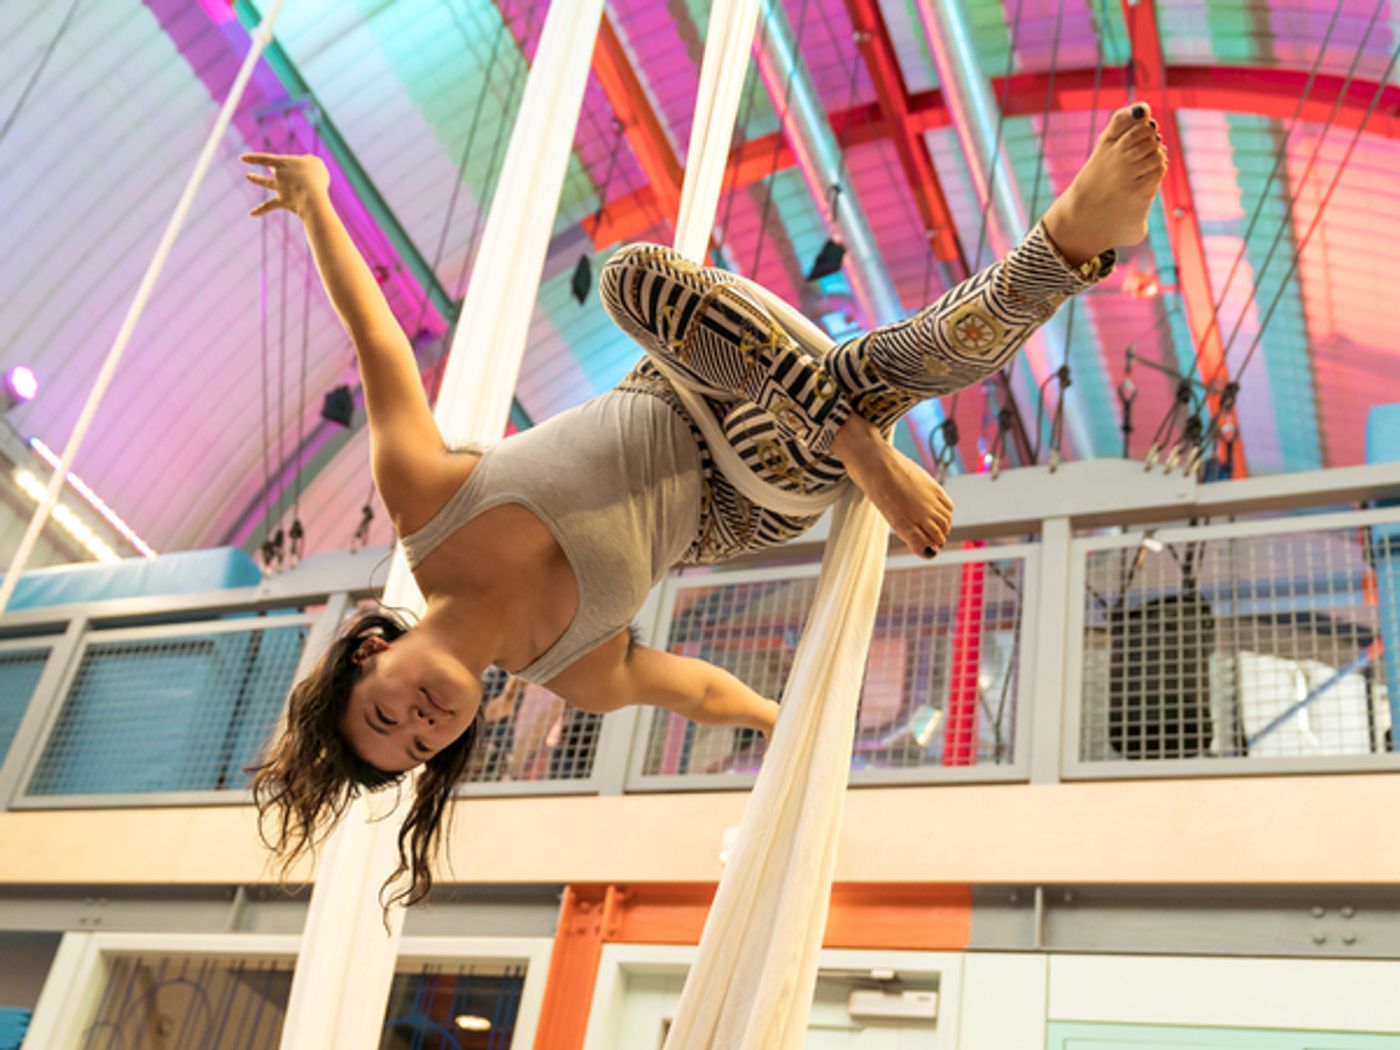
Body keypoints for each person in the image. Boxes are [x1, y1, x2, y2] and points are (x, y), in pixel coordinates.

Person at [248, 104, 1168, 906]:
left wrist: (318, 201)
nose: (422, 722)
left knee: (630, 278)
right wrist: (787, 722)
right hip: (754, 487)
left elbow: (378, 341)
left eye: (387, 716)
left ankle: (1030, 280)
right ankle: (1050, 255)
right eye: (420, 746)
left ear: (369, 653)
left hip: (701, 364)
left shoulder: (426, 502)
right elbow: (694, 692)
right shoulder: (575, 673)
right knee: (867, 379)